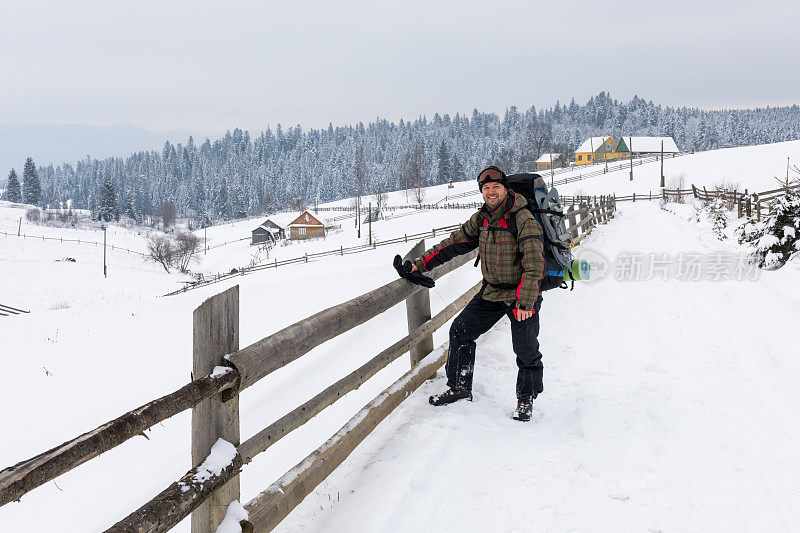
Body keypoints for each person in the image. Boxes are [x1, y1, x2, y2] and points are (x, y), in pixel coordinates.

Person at [408, 166, 545, 421]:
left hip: (521, 294)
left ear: (506, 189)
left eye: (496, 188)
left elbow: (535, 263)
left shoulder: (523, 218)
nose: (491, 192)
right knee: (461, 330)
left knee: (525, 348)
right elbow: (455, 243)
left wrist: (526, 302)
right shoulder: (482, 219)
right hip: (492, 292)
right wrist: (420, 263)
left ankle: (526, 398)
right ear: (482, 192)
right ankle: (459, 386)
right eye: (486, 189)